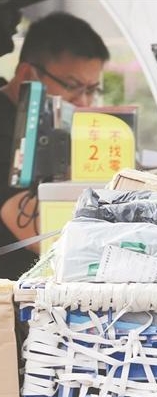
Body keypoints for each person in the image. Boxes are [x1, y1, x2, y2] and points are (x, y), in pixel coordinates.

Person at [0, 11, 109, 280]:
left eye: (91, 89)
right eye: (73, 86)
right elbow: (35, 230)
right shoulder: (6, 130)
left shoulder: (56, 129)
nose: (83, 102)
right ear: (27, 75)